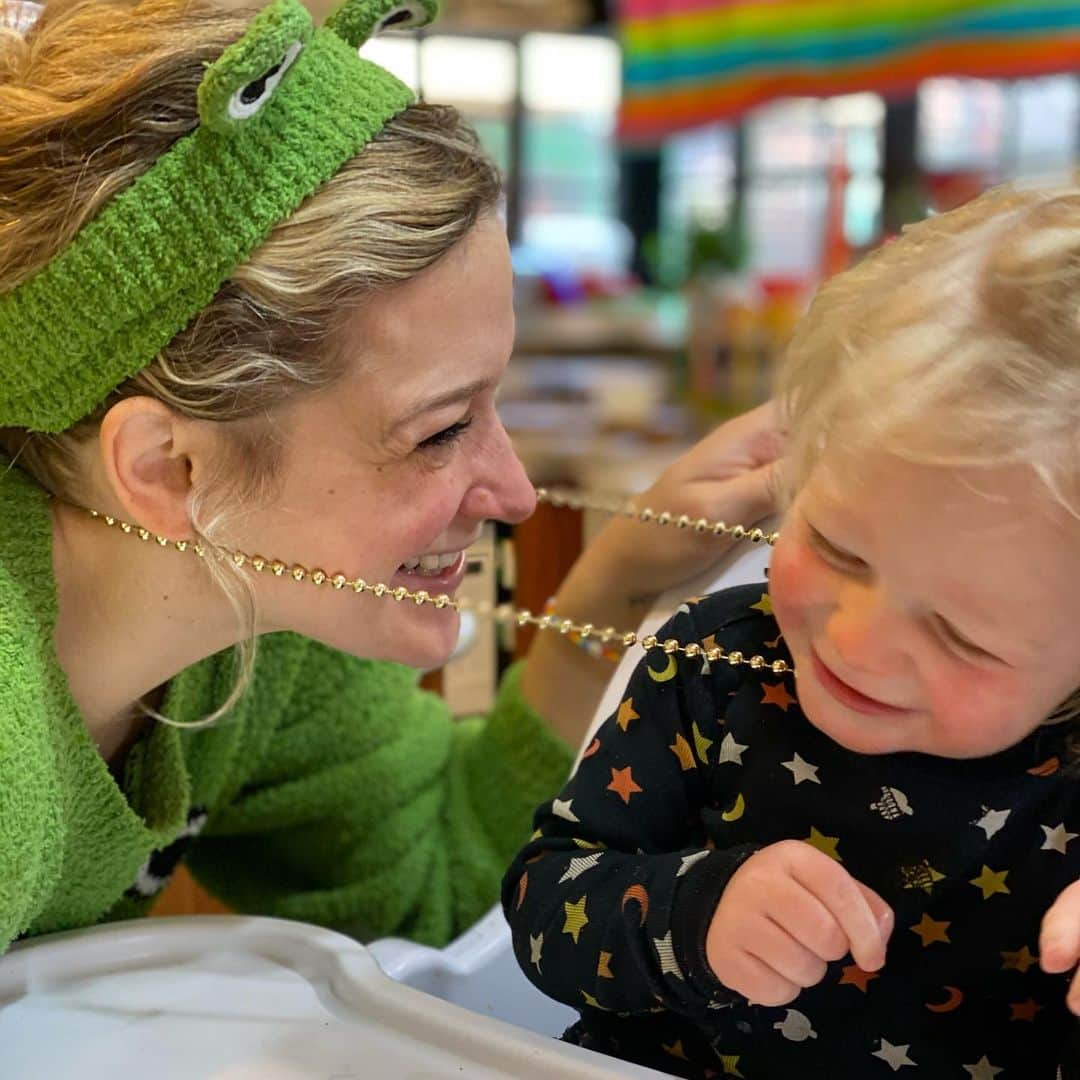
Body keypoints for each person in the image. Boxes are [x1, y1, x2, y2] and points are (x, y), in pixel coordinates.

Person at [0, 0, 782, 956]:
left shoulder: (256, 620)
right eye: (441, 430)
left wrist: (616, 592)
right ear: (171, 468)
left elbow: (433, 880)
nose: (515, 493)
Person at [503, 179, 1080, 1078]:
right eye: (838, 547)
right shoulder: (716, 664)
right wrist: (693, 917)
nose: (856, 640)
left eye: (964, 635)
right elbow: (543, 904)